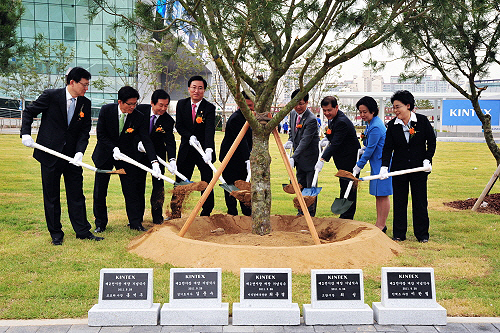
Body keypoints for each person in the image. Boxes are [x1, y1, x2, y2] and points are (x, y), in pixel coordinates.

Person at [20, 67, 103, 245]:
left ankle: (82, 231)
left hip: (72, 157)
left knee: (77, 194)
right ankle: (56, 233)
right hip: (49, 154)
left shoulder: (85, 103)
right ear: (72, 82)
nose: (86, 88)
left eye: (88, 85)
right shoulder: (51, 96)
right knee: (51, 196)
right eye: (84, 84)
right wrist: (25, 134)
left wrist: (80, 152)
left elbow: (84, 131)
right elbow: (29, 112)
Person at [92, 86, 160, 232]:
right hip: (105, 154)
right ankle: (100, 223)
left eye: (135, 104)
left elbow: (146, 139)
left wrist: (154, 162)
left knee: (131, 190)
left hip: (127, 157)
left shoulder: (139, 116)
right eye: (129, 104)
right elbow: (101, 135)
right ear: (120, 102)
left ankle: (135, 222)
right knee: (100, 190)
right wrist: (113, 149)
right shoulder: (106, 110)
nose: (132, 107)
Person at [381, 90, 436, 243]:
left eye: (398, 107)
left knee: (419, 201)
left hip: (419, 169)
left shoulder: (423, 121)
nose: (395, 110)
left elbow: (431, 142)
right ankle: (399, 234)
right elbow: (387, 148)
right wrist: (384, 167)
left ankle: (422, 235)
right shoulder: (392, 125)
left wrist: (427, 160)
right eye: (393, 107)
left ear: (408, 106)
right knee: (399, 202)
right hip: (399, 169)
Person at [175, 75, 216, 216]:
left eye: (200, 88)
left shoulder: (209, 108)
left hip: (203, 151)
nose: (196, 91)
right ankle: (176, 211)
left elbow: (210, 130)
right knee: (180, 180)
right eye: (194, 87)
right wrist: (189, 136)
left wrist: (209, 149)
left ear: (204, 90)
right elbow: (178, 125)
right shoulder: (181, 104)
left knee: (207, 181)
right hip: (186, 149)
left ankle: (206, 212)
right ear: (188, 89)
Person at [315, 96, 360, 219]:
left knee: (349, 187)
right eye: (324, 110)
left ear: (336, 107)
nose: (326, 113)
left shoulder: (341, 122)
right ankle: (345, 215)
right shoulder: (333, 119)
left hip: (350, 160)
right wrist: (326, 139)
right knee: (344, 185)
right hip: (342, 159)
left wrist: (322, 159)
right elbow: (333, 138)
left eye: (329, 110)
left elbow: (336, 143)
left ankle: (348, 216)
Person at [136, 89, 176, 224]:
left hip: (158, 158)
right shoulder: (139, 110)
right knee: (138, 185)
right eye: (161, 105)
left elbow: (170, 141)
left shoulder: (168, 120)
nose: (163, 108)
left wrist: (172, 160)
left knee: (158, 186)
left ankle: (157, 218)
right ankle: (136, 217)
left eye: (166, 105)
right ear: (152, 103)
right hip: (139, 154)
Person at [353, 96, 392, 232]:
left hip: (382, 164)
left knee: (383, 194)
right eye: (360, 112)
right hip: (376, 163)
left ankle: (382, 225)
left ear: (373, 111)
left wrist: (359, 165)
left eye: (365, 112)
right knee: (378, 194)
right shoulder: (370, 124)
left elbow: (370, 150)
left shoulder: (375, 126)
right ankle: (379, 223)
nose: (362, 115)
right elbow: (368, 145)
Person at [284, 89, 320, 216]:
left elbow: (305, 141)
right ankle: (301, 213)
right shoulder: (293, 114)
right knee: (300, 186)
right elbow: (292, 131)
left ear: (307, 103)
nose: (298, 107)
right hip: (299, 160)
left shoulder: (311, 119)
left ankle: (310, 215)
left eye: (301, 103)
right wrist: (290, 140)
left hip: (310, 160)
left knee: (310, 189)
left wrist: (293, 157)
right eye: (295, 103)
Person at [219, 91, 254, 216]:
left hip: (243, 159)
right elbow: (241, 141)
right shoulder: (236, 119)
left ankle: (246, 215)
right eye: (248, 106)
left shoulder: (250, 117)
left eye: (252, 105)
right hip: (231, 160)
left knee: (245, 187)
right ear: (240, 104)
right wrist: (247, 159)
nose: (251, 108)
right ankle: (232, 216)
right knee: (231, 189)